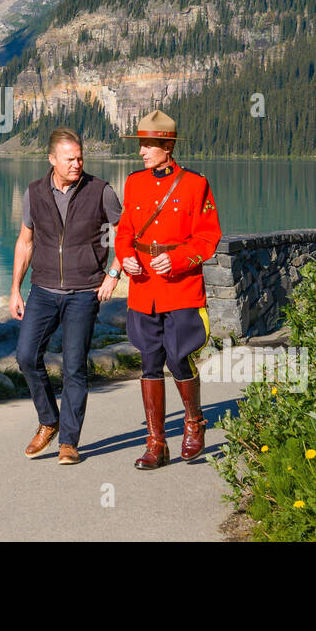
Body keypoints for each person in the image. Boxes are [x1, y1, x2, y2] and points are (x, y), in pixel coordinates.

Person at [112, 110, 222, 469]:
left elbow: (208, 236)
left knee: (177, 357)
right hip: (144, 287)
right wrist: (126, 258)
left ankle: (194, 422)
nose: (142, 151)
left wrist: (177, 260)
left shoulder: (195, 184)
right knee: (149, 361)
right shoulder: (134, 183)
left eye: (147, 145)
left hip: (180, 287)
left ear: (166, 145)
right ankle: (156, 443)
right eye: (141, 144)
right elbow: (126, 230)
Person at [11, 127, 122, 465]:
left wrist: (113, 275)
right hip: (42, 289)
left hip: (83, 292)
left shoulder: (100, 191)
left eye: (80, 157)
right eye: (70, 158)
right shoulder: (33, 192)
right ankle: (49, 421)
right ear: (52, 160)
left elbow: (128, 233)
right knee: (26, 356)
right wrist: (15, 288)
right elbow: (25, 242)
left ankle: (69, 442)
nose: (77, 163)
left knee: (74, 367)